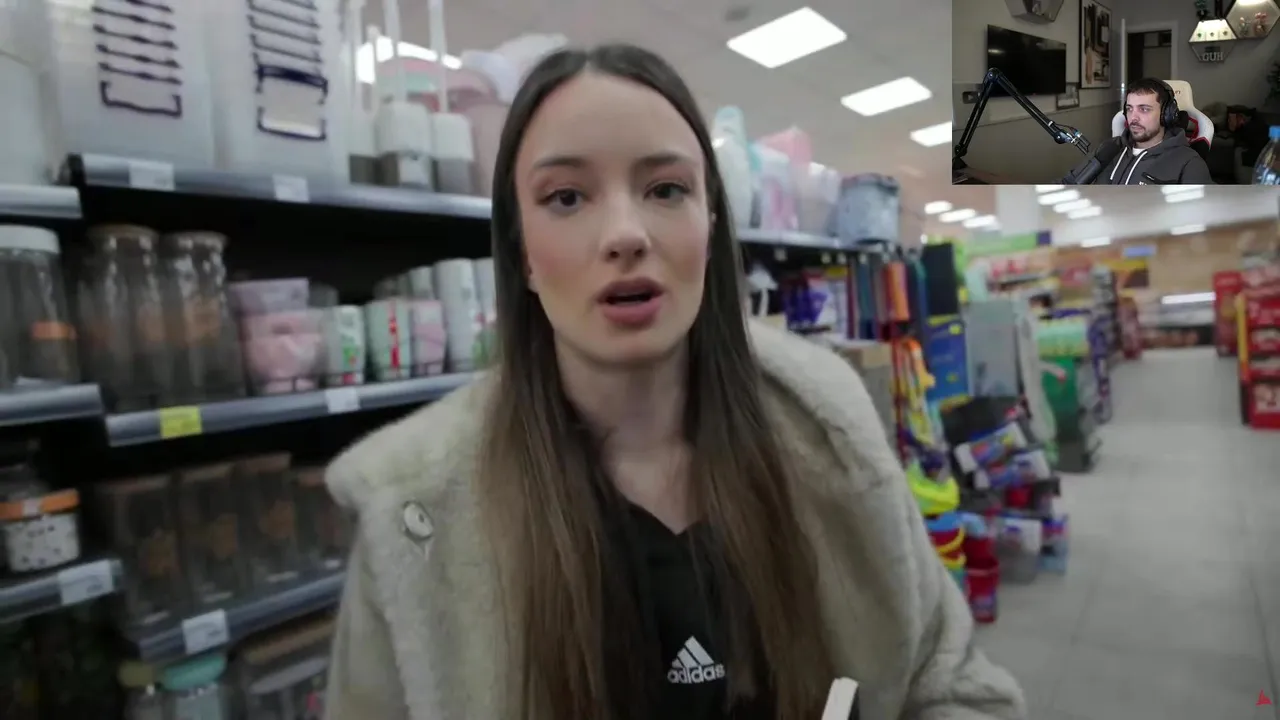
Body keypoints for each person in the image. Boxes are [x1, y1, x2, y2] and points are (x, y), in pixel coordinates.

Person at [322, 43, 1025, 720]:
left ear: (710, 224)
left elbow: (955, 686)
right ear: (522, 254)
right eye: (566, 197)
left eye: (665, 189)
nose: (625, 234)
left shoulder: (831, 434)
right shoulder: (413, 515)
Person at [1095, 77, 1213, 185]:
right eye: (1129, 109)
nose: (1133, 118)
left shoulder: (1189, 163)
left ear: (1166, 115)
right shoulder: (1108, 148)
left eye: (1144, 109)